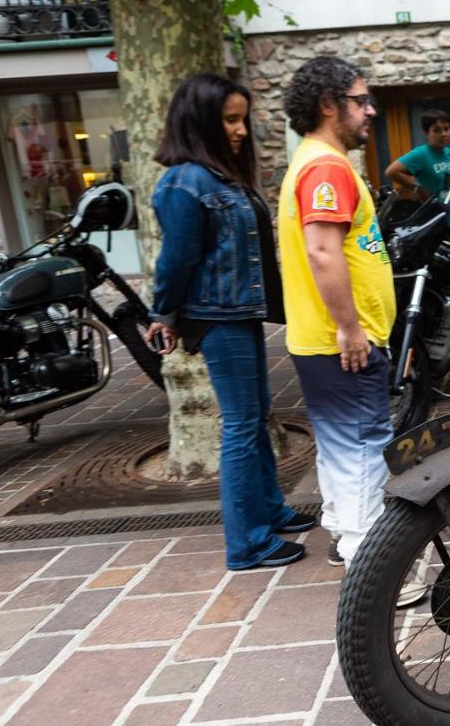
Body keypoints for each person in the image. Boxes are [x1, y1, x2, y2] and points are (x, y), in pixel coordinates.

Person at [147, 73, 312, 571]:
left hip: (238, 312)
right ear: (201, 121)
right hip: (217, 317)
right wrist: (163, 314)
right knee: (241, 424)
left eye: (243, 118)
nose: (241, 130)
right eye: (230, 119)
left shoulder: (218, 176)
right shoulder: (184, 182)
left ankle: (270, 511)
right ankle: (248, 543)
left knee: (256, 416)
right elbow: (175, 260)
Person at [278, 57, 396, 568]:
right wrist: (351, 329)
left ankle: (345, 534)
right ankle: (370, 561)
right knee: (365, 448)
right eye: (360, 100)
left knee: (340, 444)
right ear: (329, 106)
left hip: (322, 339)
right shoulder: (327, 167)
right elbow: (323, 253)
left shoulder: (309, 161)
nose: (370, 110)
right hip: (342, 341)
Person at [384, 108, 450, 247]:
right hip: (435, 224)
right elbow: (391, 171)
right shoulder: (421, 154)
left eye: (446, 129)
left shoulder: (448, 153)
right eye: (437, 130)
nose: (443, 134)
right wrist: (418, 186)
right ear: (427, 133)